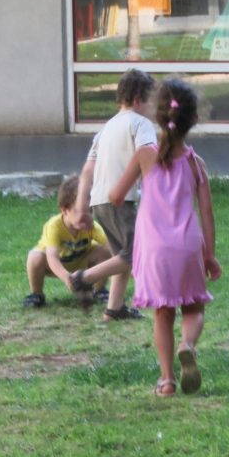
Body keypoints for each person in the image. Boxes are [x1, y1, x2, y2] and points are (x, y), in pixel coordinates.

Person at [109, 78, 222, 397]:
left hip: (155, 249)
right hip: (187, 248)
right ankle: (188, 344)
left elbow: (116, 195)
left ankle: (167, 381)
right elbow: (207, 214)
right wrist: (210, 256)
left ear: (156, 116)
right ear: (194, 120)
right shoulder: (195, 163)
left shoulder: (145, 155)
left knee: (162, 313)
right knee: (194, 307)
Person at [72, 69, 157, 322]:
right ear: (138, 100)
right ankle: (82, 279)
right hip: (122, 199)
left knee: (123, 254)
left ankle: (114, 309)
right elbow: (147, 159)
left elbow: (87, 170)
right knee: (134, 253)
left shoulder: (106, 128)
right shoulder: (141, 124)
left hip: (99, 201)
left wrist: (81, 206)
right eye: (151, 101)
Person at [22, 176, 111, 308]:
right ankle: (37, 294)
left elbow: (111, 247)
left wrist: (127, 264)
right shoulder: (54, 226)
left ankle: (99, 291)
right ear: (64, 210)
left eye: (91, 211)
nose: (88, 216)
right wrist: (66, 278)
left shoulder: (92, 226)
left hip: (81, 262)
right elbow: (52, 258)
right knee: (35, 256)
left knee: (103, 251)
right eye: (81, 211)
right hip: (54, 265)